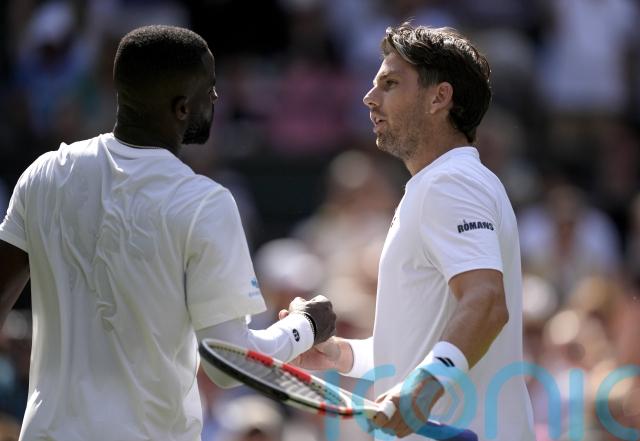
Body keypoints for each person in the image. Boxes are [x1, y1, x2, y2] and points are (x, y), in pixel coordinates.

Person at [0, 25, 336, 441]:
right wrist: (305, 327)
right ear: (181, 108)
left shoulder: (44, 173)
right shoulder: (205, 204)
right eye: (209, 89)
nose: (216, 98)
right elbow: (229, 364)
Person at [286, 23, 535, 440]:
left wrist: (424, 386)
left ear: (439, 97)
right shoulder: (441, 184)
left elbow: (488, 302)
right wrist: (341, 354)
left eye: (390, 84)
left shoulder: (451, 182)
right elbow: (416, 346)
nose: (369, 98)